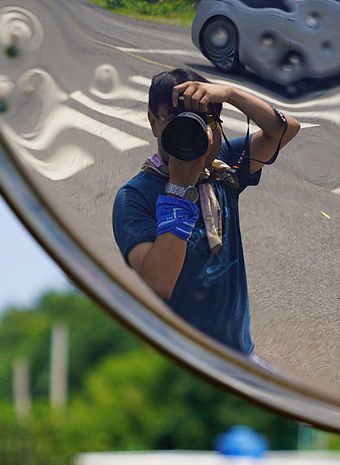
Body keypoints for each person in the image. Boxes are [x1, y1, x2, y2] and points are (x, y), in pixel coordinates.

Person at [112, 68, 300, 357]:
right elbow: (160, 282)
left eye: (204, 121)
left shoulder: (221, 167)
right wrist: (179, 188)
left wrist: (230, 94)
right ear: (153, 122)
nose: (191, 133)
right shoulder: (135, 197)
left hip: (240, 354)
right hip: (185, 363)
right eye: (178, 122)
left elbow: (286, 129)